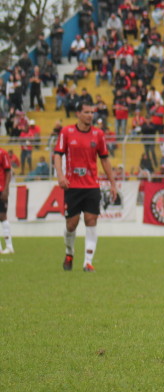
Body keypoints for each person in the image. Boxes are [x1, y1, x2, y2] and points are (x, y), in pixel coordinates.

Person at [53, 104, 118, 272]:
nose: (90, 115)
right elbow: (57, 155)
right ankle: (69, 252)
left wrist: (112, 183)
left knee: (91, 220)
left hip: (91, 186)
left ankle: (87, 262)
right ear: (78, 114)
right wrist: (60, 176)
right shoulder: (66, 132)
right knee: (71, 225)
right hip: (72, 186)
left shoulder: (98, 134)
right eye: (87, 112)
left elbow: (104, 159)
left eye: (92, 112)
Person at [0, 146, 12, 254]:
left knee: (2, 216)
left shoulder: (2, 153)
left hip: (1, 189)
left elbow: (8, 172)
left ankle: (9, 246)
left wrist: (5, 189)